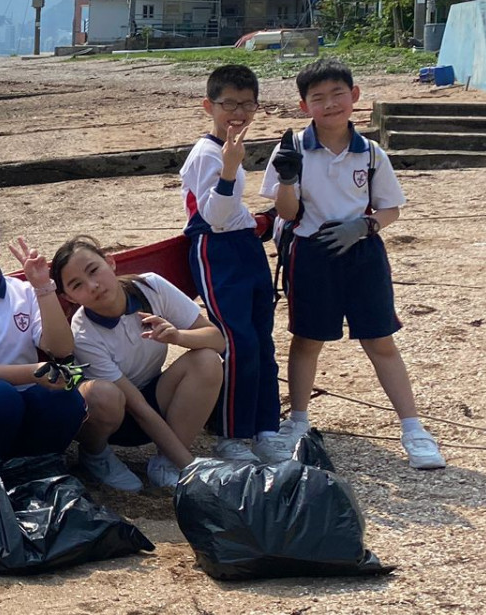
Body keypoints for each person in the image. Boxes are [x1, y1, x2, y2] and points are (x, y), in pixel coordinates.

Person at [265, 58, 444, 470]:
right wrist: (288, 181)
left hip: (362, 253)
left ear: (355, 96)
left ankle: (414, 429)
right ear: (303, 105)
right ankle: (298, 421)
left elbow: (391, 208)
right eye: (318, 98)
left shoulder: (372, 153)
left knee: (379, 339)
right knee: (308, 339)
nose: (330, 105)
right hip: (312, 253)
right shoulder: (290, 148)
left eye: (337, 94)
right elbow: (286, 213)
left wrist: (364, 226)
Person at [0, 199, 135, 488]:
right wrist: (35, 371)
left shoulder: (23, 290)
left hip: (22, 398)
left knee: (66, 397)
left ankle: (35, 475)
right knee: (0, 397)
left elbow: (61, 349)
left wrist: (43, 288)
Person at [52, 237, 215, 491]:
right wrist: (191, 465)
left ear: (111, 262)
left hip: (153, 392)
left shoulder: (150, 286)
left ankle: (165, 464)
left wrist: (178, 336)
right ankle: (96, 455)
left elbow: (217, 339)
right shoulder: (83, 333)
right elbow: (137, 407)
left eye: (94, 270)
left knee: (207, 359)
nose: (93, 285)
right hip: (114, 419)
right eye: (77, 285)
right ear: (68, 297)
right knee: (102, 393)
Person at [180, 64, 284, 462]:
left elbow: (233, 213)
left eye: (247, 104)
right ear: (209, 106)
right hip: (216, 249)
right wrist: (228, 167)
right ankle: (230, 434)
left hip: (243, 245)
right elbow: (214, 216)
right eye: (228, 104)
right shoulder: (207, 154)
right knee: (236, 340)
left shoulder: (229, 151)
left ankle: (264, 428)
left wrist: (262, 221)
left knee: (261, 338)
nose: (237, 113)